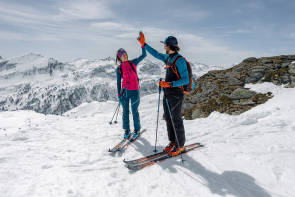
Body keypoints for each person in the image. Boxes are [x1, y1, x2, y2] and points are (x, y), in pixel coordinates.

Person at [137, 32, 189, 156]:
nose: (163, 47)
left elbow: (185, 79)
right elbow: (155, 53)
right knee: (168, 118)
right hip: (168, 93)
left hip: (176, 93)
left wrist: (169, 84)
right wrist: (144, 45)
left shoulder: (179, 60)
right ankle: (172, 142)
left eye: (165, 45)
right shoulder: (168, 58)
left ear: (170, 46)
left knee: (176, 119)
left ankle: (180, 145)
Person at [116, 43, 146, 140]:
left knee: (134, 111)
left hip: (135, 91)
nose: (125, 55)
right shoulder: (119, 69)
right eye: (123, 55)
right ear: (120, 58)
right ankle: (127, 130)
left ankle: (137, 130)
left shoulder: (133, 63)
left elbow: (144, 55)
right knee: (125, 112)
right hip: (125, 93)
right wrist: (119, 95)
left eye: (125, 54)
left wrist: (142, 45)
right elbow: (118, 83)